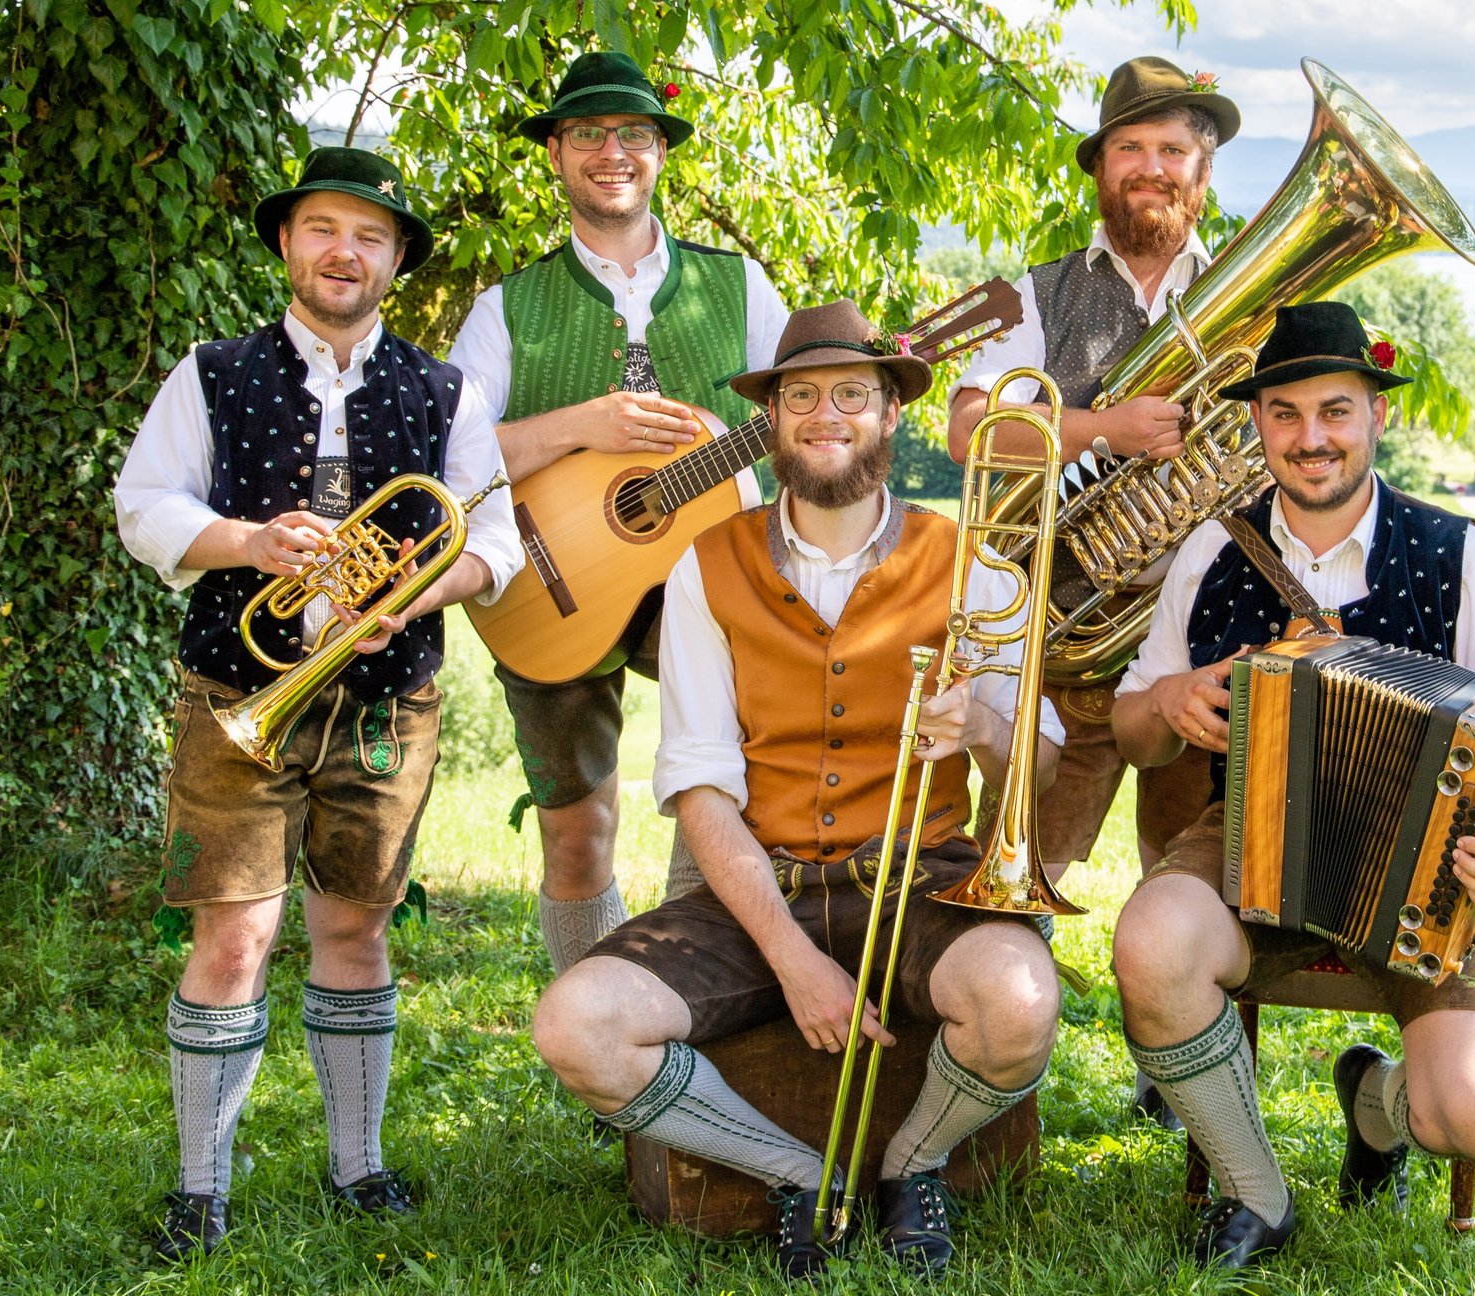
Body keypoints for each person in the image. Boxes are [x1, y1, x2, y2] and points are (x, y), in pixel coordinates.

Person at [530, 302, 1065, 1281]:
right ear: (773, 420)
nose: (828, 415)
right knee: (574, 1027)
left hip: (920, 872)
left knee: (1021, 1006)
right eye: (803, 395)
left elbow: (1042, 763)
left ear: (890, 415)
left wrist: (983, 729)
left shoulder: (971, 562)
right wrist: (790, 955)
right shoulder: (705, 565)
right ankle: (794, 1171)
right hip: (759, 880)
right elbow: (700, 790)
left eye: (852, 394)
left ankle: (912, 1165)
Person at [113, 146, 522, 1259]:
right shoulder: (211, 372)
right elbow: (143, 505)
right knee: (235, 939)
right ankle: (202, 1187)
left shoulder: (449, 392)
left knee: (354, 925)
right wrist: (249, 541)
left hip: (388, 700)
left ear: (394, 261)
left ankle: (358, 1164)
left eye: (371, 236)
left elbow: (499, 541)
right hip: (236, 692)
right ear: (290, 244)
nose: (346, 251)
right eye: (325, 229)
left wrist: (418, 589)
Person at [1107, 302, 1475, 1269]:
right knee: (1151, 943)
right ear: (1259, 425)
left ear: (1376, 417)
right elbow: (1130, 730)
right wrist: (1171, 700)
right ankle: (1256, 1190)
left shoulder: (1456, 552)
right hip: (1252, 851)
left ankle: (1377, 1104)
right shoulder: (1211, 550)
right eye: (1285, 414)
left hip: (1436, 880)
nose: (1310, 438)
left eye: (1335, 410)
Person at [449, 50, 789, 972]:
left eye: (634, 133)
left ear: (660, 153)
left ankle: (691, 1010)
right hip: (544, 580)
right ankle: (595, 1058)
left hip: (721, 584)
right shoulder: (504, 309)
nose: (613, 151)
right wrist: (581, 425)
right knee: (575, 834)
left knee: (729, 798)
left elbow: (803, 432)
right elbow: (450, 460)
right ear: (557, 153)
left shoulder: (741, 288)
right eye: (590, 133)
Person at [948, 52, 1239, 1127]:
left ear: (1202, 173)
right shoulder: (1037, 295)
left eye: (1175, 150)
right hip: (1066, 635)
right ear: (1101, 170)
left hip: (1198, 646)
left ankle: (1181, 1086)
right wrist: (1100, 430)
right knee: (1022, 865)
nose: (1154, 169)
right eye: (1134, 150)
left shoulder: (1248, 292)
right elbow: (968, 428)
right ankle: (994, 1080)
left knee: (1186, 875)